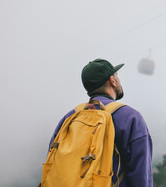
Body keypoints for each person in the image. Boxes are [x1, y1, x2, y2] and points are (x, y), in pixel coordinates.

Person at [49, 58, 153, 186]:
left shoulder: (69, 118)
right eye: (117, 76)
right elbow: (141, 176)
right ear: (112, 81)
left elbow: (52, 162)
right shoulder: (130, 118)